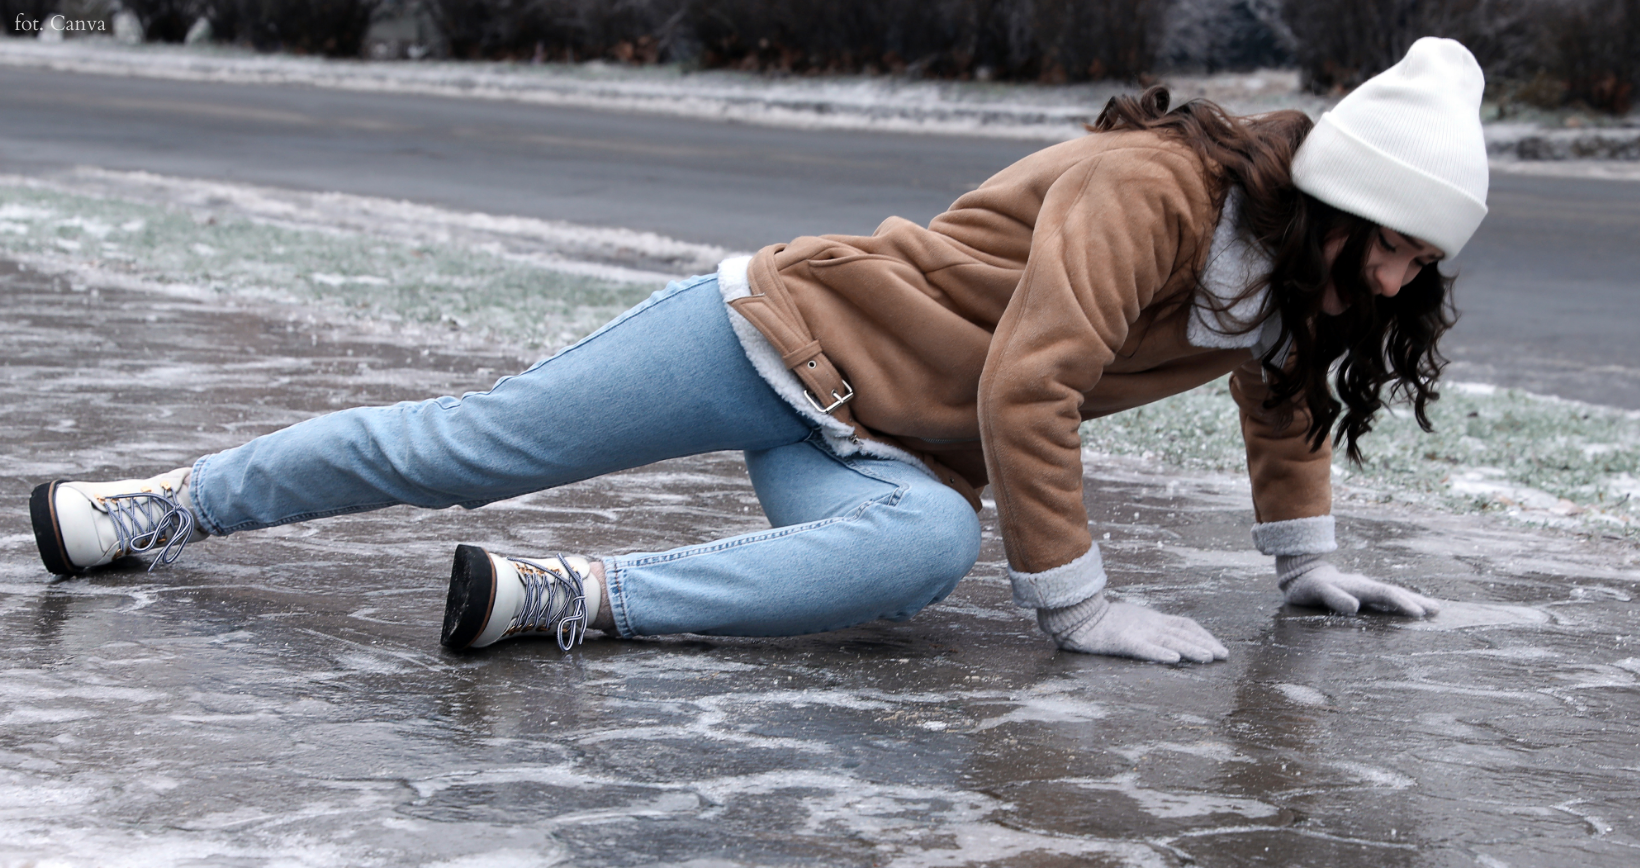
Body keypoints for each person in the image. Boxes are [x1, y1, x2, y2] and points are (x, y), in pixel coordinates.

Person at [28, 37, 1487, 664]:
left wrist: (1305, 565)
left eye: (1427, 258)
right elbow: (1031, 381)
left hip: (886, 444)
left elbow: (1284, 392)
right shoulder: (1153, 191)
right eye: (1400, 242)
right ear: (1332, 202)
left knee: (915, 559)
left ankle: (565, 600)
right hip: (775, 332)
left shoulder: (1301, 281)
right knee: (466, 450)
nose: (1407, 275)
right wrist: (1080, 608)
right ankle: (163, 503)